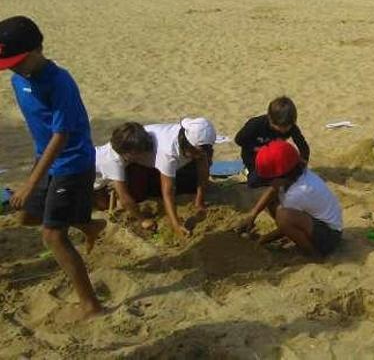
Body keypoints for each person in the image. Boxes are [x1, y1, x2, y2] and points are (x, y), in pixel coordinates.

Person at [0, 16, 106, 319]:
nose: (12, 68)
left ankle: (91, 306)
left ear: (37, 49)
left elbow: (62, 135)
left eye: (17, 61)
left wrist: (30, 182)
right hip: (44, 157)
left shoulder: (60, 82)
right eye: (7, 63)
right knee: (27, 217)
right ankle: (89, 224)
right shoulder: (18, 78)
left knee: (52, 235)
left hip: (71, 162)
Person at [235, 140, 343, 258]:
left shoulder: (299, 192)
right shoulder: (295, 174)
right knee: (273, 201)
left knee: (284, 216)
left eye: (269, 180)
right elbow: (272, 189)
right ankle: (297, 236)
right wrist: (253, 215)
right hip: (317, 221)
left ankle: (314, 255)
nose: (268, 183)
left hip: (330, 237)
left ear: (280, 178)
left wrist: (263, 240)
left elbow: (285, 223)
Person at [123, 118, 216, 238]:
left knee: (192, 184)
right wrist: (176, 224)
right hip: (138, 162)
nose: (199, 155)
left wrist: (199, 201)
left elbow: (203, 171)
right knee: (139, 194)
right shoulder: (168, 152)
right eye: (196, 152)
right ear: (186, 145)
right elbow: (168, 190)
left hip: (172, 161)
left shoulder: (201, 144)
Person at [93, 122, 157, 231]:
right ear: (126, 152)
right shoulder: (114, 162)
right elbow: (125, 198)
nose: (141, 155)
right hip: (90, 186)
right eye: (138, 153)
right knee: (104, 205)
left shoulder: (118, 149)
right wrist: (142, 220)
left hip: (100, 179)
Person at [235, 96, 310, 188]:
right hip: (255, 158)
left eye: (286, 127)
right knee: (255, 183)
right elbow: (239, 140)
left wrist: (303, 162)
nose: (283, 130)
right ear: (270, 118)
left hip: (274, 158)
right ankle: (247, 171)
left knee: (292, 177)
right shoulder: (255, 124)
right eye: (279, 127)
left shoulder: (291, 127)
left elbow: (302, 145)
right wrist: (258, 149)